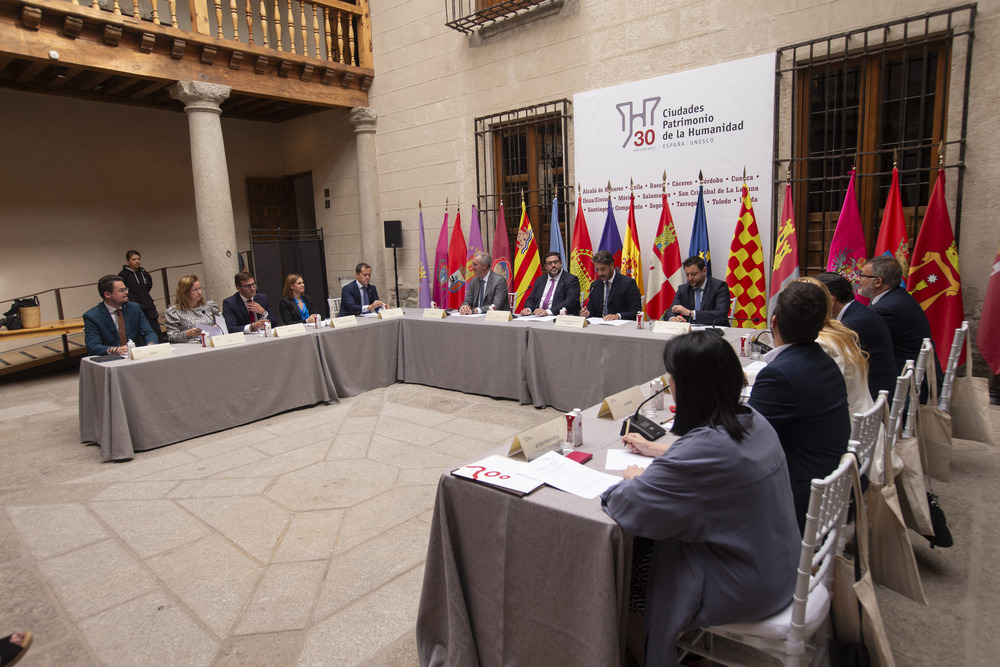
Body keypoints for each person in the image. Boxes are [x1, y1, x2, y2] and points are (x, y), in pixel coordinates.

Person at [602, 332, 799, 667]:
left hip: (747, 585)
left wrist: (639, 478)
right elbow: (709, 459)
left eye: (671, 377)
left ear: (686, 387)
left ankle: (630, 650)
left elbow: (625, 506)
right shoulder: (754, 421)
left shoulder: (700, 455)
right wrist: (661, 450)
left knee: (637, 560)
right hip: (783, 566)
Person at [748, 280, 850, 532]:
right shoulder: (824, 361)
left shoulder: (780, 375)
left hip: (795, 499)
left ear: (773, 322)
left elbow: (741, 441)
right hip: (825, 489)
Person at [859, 255, 942, 399]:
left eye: (862, 275)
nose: (857, 280)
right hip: (914, 373)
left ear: (878, 281)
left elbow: (862, 345)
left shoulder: (887, 309)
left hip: (909, 386)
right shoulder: (896, 296)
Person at [798, 277, 874, 418]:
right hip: (864, 423)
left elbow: (808, 397)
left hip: (850, 430)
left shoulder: (822, 344)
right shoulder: (840, 333)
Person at [815, 271, 896, 400]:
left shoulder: (852, 325)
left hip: (872, 396)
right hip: (878, 387)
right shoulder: (858, 310)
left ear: (830, 299)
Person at [83, 275, 159, 356]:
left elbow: (149, 333)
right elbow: (92, 346)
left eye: (126, 289)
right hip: (110, 360)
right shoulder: (92, 316)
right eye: (121, 290)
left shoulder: (134, 308)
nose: (126, 292)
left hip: (135, 356)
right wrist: (115, 350)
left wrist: (151, 344)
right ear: (107, 294)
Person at [666, 256, 731, 325]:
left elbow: (721, 314)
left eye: (693, 274)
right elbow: (671, 311)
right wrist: (672, 318)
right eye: (687, 275)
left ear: (704, 271)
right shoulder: (683, 289)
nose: (690, 278)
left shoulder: (719, 286)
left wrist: (691, 313)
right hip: (690, 333)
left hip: (714, 331)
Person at [579, 250, 642, 320]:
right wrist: (587, 313)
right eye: (597, 269)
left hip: (621, 327)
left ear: (611, 265)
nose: (600, 273)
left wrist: (618, 316)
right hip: (598, 327)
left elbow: (636, 311)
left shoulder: (628, 283)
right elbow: (592, 310)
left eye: (602, 269)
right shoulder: (595, 285)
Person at [519, 251, 581, 316]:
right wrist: (528, 309)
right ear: (545, 267)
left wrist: (548, 312)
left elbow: (570, 301)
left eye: (555, 262)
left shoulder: (571, 279)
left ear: (561, 263)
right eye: (549, 263)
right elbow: (531, 299)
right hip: (538, 317)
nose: (553, 265)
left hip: (559, 317)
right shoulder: (540, 280)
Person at [164, 274, 222, 343]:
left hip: (212, 342)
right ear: (185, 293)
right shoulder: (174, 312)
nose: (199, 292)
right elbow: (171, 337)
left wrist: (218, 326)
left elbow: (222, 324)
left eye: (200, 288)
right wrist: (187, 333)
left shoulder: (210, 306)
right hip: (190, 347)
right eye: (195, 290)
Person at [118, 250, 161, 340]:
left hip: (148, 305)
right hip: (134, 306)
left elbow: (149, 286)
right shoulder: (123, 275)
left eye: (138, 259)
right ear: (128, 261)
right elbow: (122, 290)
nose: (137, 261)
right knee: (139, 331)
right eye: (133, 259)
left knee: (155, 328)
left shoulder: (144, 273)